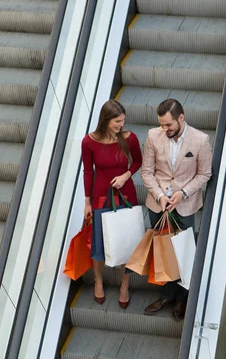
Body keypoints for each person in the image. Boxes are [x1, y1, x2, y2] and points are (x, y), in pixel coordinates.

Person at [141, 98, 212, 321]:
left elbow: (204, 174)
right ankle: (167, 295)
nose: (165, 129)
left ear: (181, 118)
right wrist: (160, 195)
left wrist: (184, 193)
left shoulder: (201, 140)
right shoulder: (153, 136)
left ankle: (181, 296)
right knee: (163, 251)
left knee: (183, 252)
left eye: (168, 125)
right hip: (158, 203)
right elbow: (146, 172)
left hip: (185, 205)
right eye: (161, 125)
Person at [82, 99, 142, 309]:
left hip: (125, 193)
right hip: (100, 195)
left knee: (126, 240)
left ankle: (124, 285)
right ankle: (98, 280)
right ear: (105, 120)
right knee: (99, 241)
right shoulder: (89, 141)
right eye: (117, 121)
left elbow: (137, 162)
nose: (120, 125)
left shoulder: (129, 138)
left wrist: (126, 175)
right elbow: (88, 171)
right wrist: (87, 201)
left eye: (122, 121)